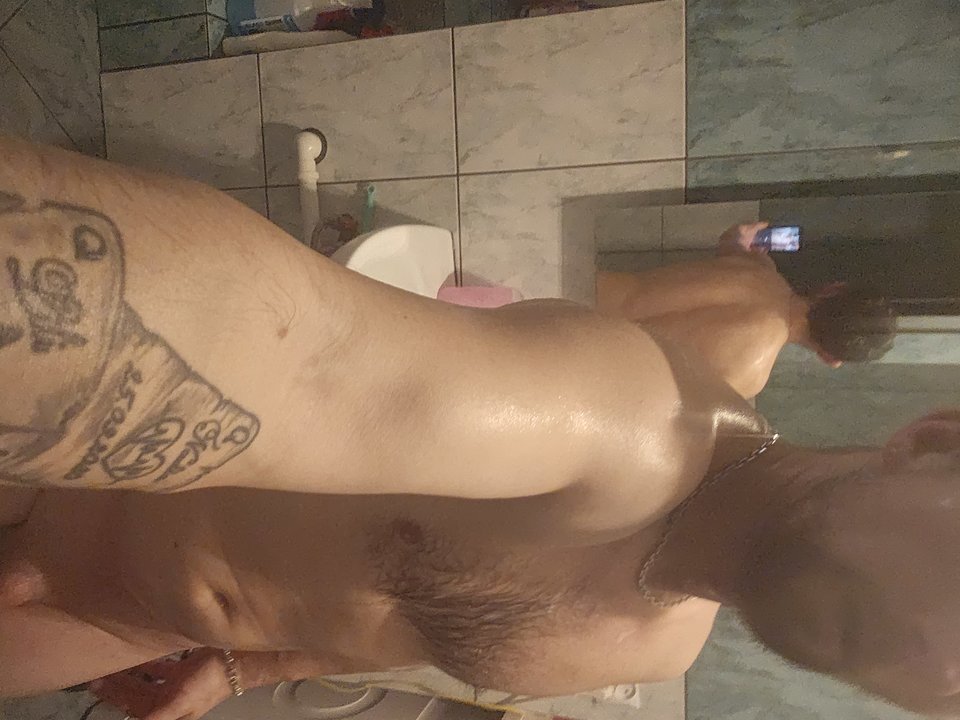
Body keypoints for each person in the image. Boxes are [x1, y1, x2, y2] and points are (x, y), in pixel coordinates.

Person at [2, 138, 959, 719]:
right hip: (50, 486)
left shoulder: (654, 650)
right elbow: (295, 355)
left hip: (104, 625)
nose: (946, 659)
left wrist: (237, 671)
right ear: (934, 445)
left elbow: (403, 629)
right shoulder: (626, 420)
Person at [596, 223, 897, 399]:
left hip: (585, 287)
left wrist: (752, 234)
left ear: (832, 288)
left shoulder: (758, 268)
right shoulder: (749, 378)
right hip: (588, 357)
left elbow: (735, 237)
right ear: (830, 358)